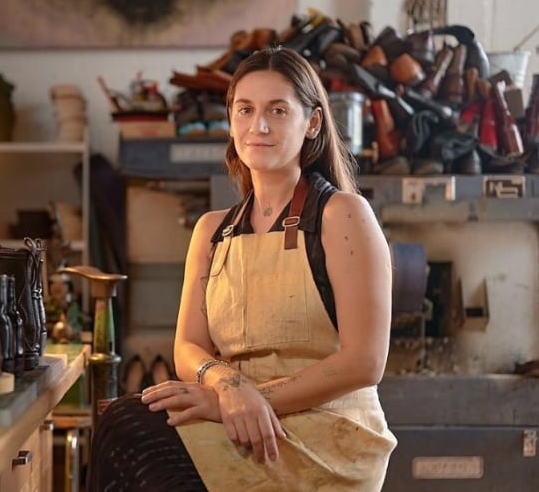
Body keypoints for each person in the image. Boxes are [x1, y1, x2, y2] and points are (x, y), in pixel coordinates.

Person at [87, 46, 397, 491]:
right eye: (246, 110)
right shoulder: (213, 230)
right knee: (123, 420)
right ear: (231, 120)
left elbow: (364, 363)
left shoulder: (342, 214)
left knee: (130, 430)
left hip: (326, 435)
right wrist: (229, 388)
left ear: (311, 122)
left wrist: (247, 399)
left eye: (278, 110)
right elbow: (188, 346)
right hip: (238, 420)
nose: (260, 126)